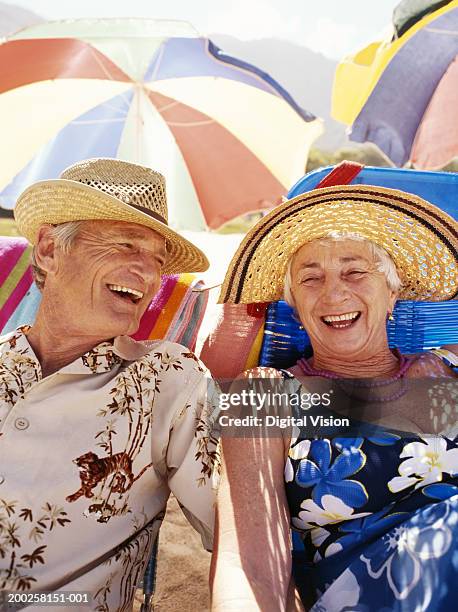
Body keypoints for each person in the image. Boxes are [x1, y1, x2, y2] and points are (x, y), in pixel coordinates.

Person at [211, 184, 458, 611]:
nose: (333, 293)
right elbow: (246, 562)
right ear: (296, 304)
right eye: (310, 278)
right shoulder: (265, 393)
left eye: (355, 272)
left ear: (392, 293)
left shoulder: (449, 368)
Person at [0, 158, 220, 610]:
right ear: (47, 250)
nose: (148, 274)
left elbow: (233, 518)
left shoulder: (168, 378)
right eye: (125, 245)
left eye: (157, 261)